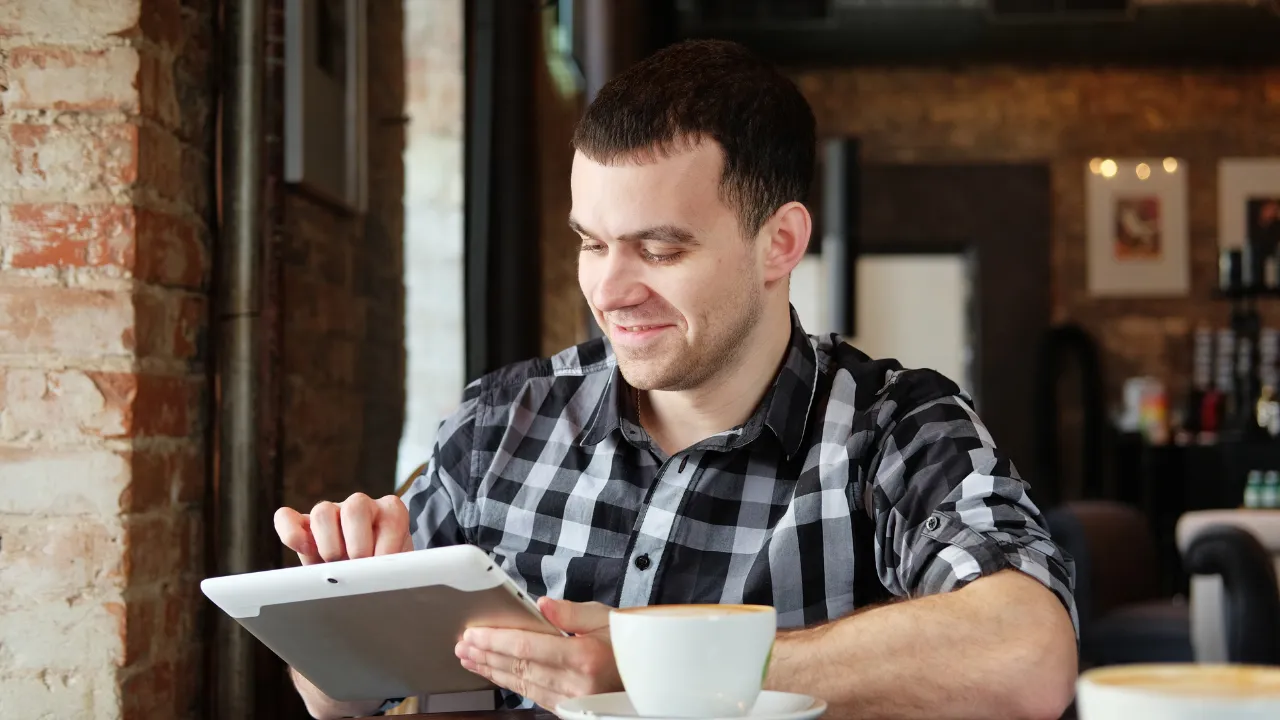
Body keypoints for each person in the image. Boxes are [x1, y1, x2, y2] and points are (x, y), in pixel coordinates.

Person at [274, 39, 1079, 720]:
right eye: (592, 242)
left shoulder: (896, 427)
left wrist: (654, 662)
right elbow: (332, 697)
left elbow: (1030, 653)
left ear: (780, 243)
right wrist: (350, 603)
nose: (610, 292)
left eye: (660, 251)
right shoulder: (499, 420)